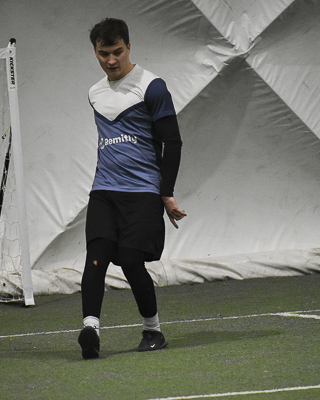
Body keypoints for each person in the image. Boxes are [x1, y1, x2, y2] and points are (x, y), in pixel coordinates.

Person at [78, 18, 186, 359]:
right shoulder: (95, 93)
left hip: (142, 192)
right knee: (96, 255)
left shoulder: (152, 86)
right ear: (95, 51)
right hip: (104, 190)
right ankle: (90, 329)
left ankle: (153, 330)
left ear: (129, 47)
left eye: (117, 52)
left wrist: (166, 193)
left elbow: (172, 142)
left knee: (129, 260)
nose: (111, 60)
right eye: (104, 53)